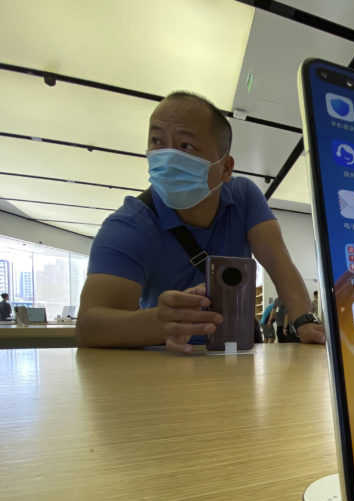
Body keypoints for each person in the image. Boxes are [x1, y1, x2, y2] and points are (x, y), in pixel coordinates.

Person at [77, 91, 325, 352]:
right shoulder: (128, 227)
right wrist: (159, 322)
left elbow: (278, 262)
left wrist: (304, 321)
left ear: (226, 168)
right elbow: (89, 328)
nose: (167, 157)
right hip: (167, 361)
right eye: (157, 141)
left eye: (186, 146)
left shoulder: (244, 197)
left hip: (237, 353)